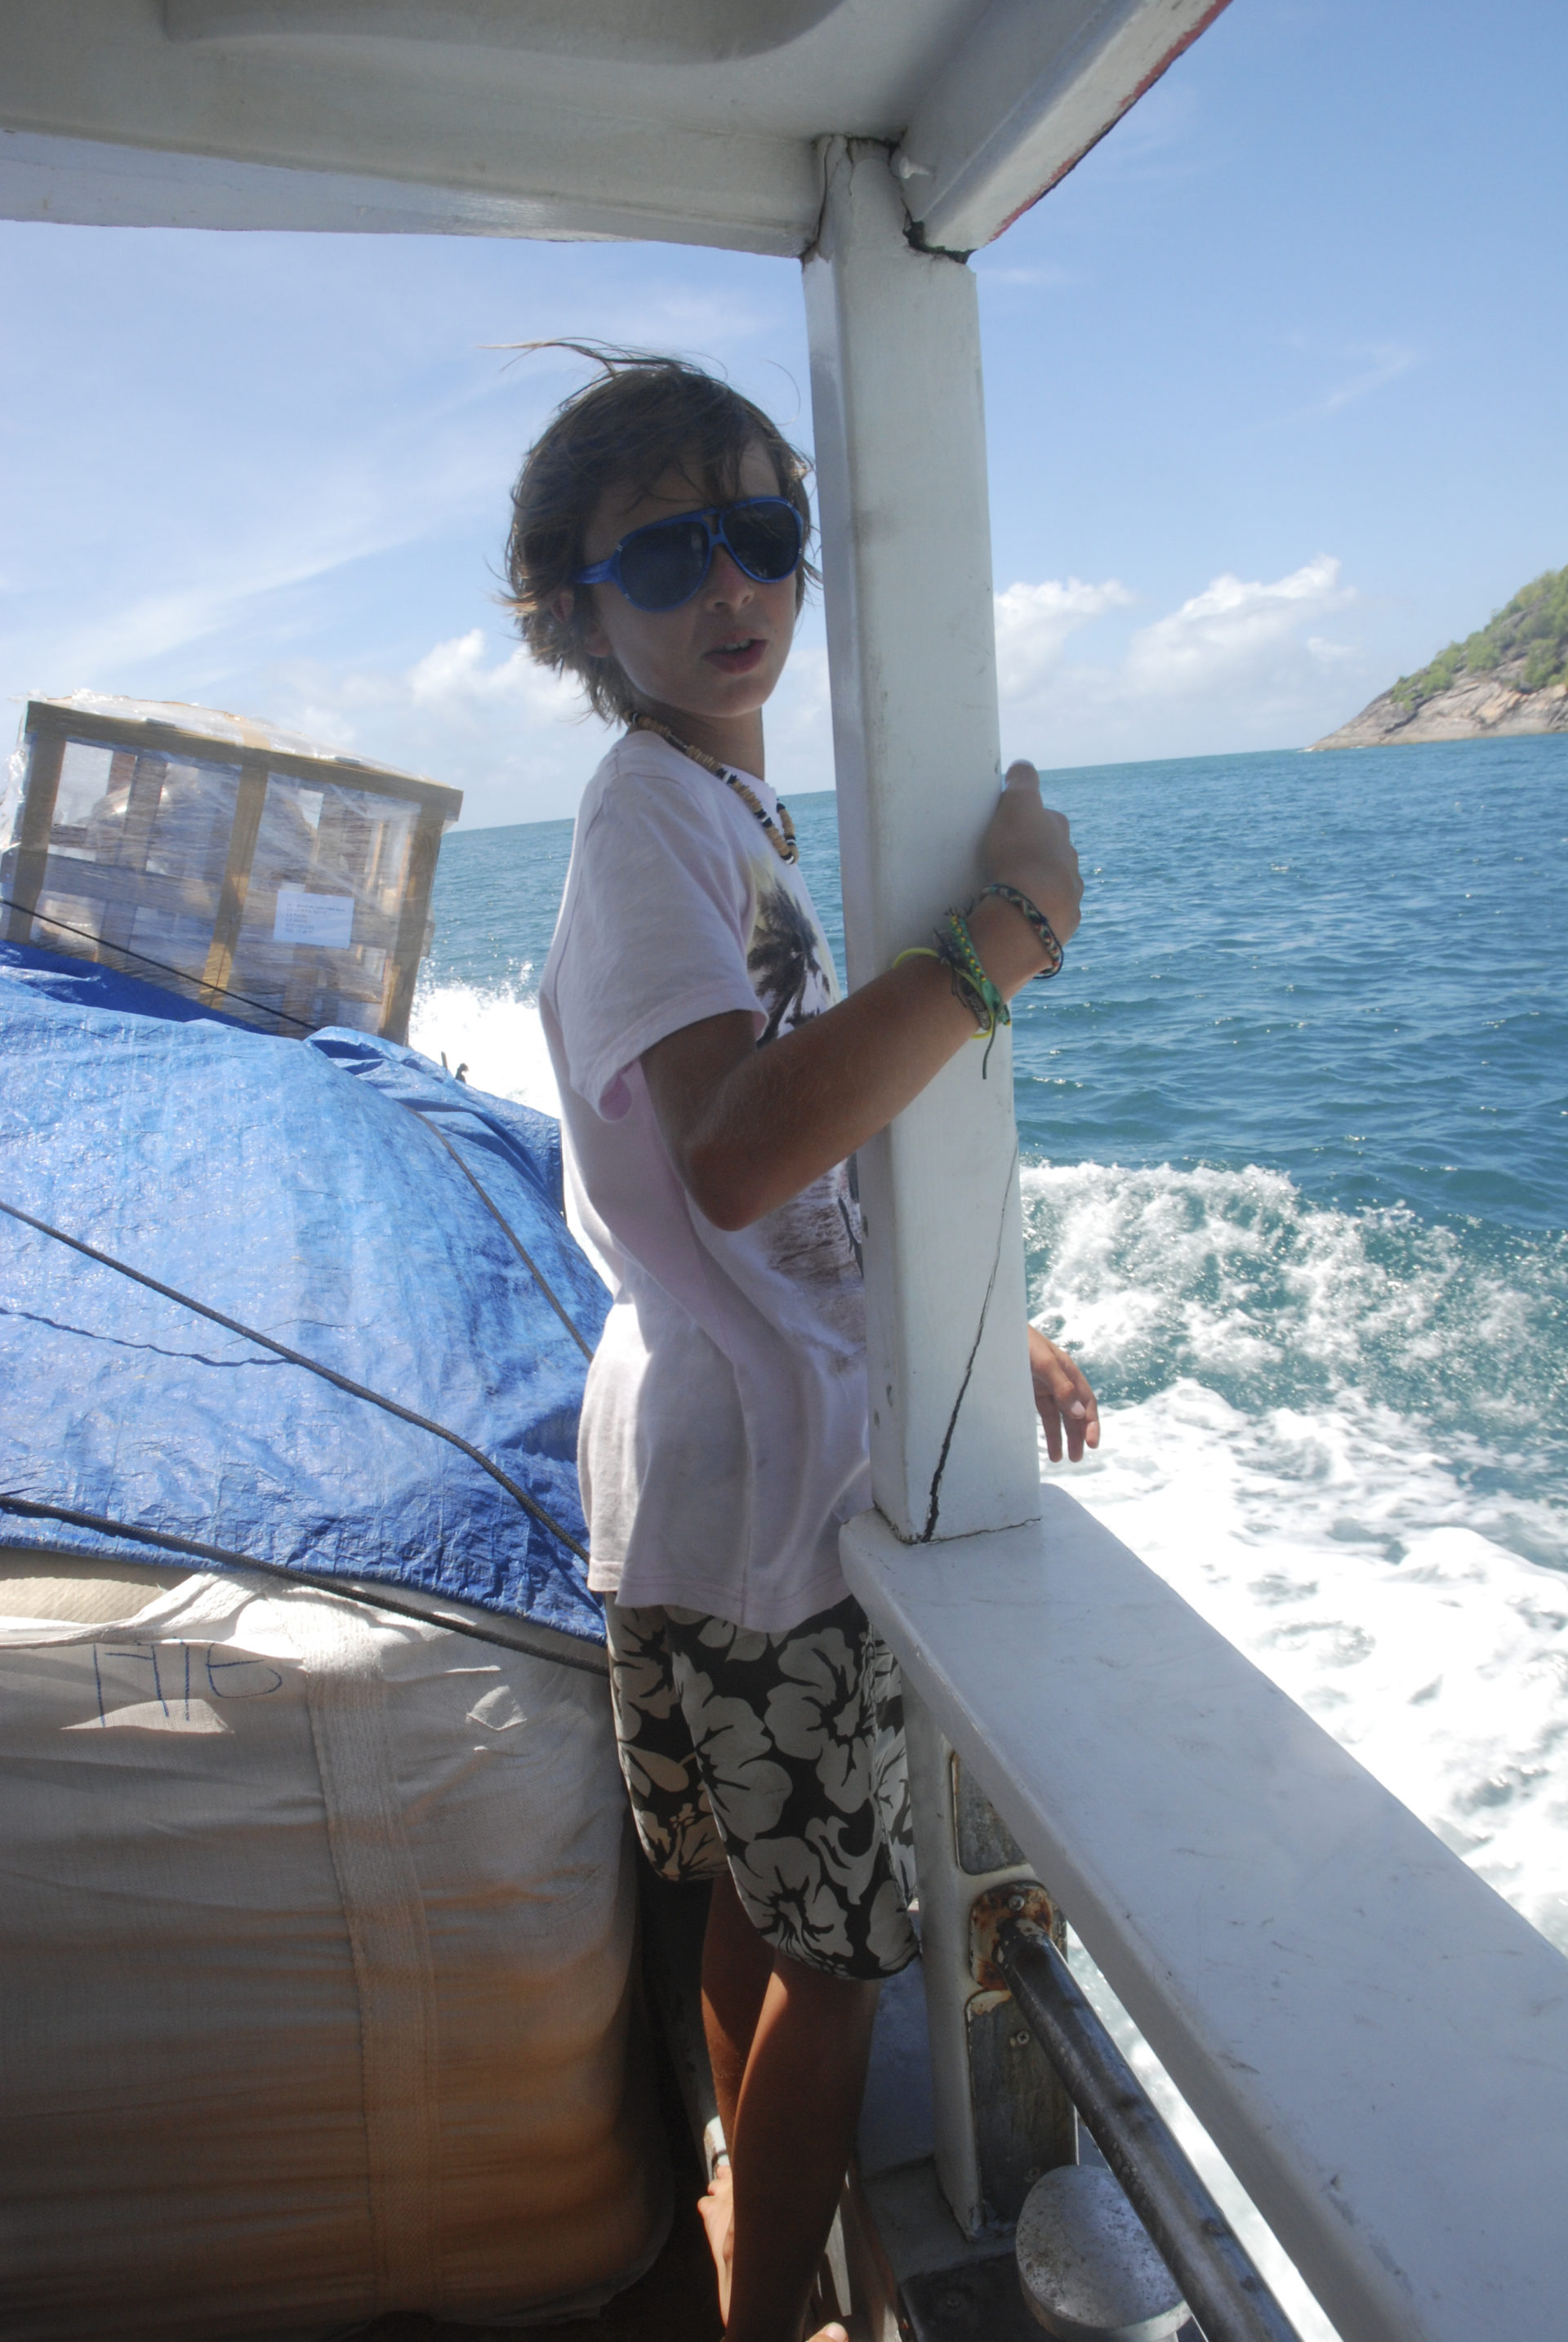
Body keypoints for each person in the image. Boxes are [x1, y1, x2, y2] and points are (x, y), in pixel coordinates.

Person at [511, 350, 1099, 2342]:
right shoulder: (648, 823)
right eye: (663, 554)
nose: (729, 586)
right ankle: (768, 2318)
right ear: (572, 608)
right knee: (841, 1966)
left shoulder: (716, 807)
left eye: (761, 535)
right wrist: (1005, 938)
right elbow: (749, 1151)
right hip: (767, 1504)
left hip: (708, 1472)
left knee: (760, 1914)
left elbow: (805, 1157)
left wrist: (976, 1324)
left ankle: (735, 2229)